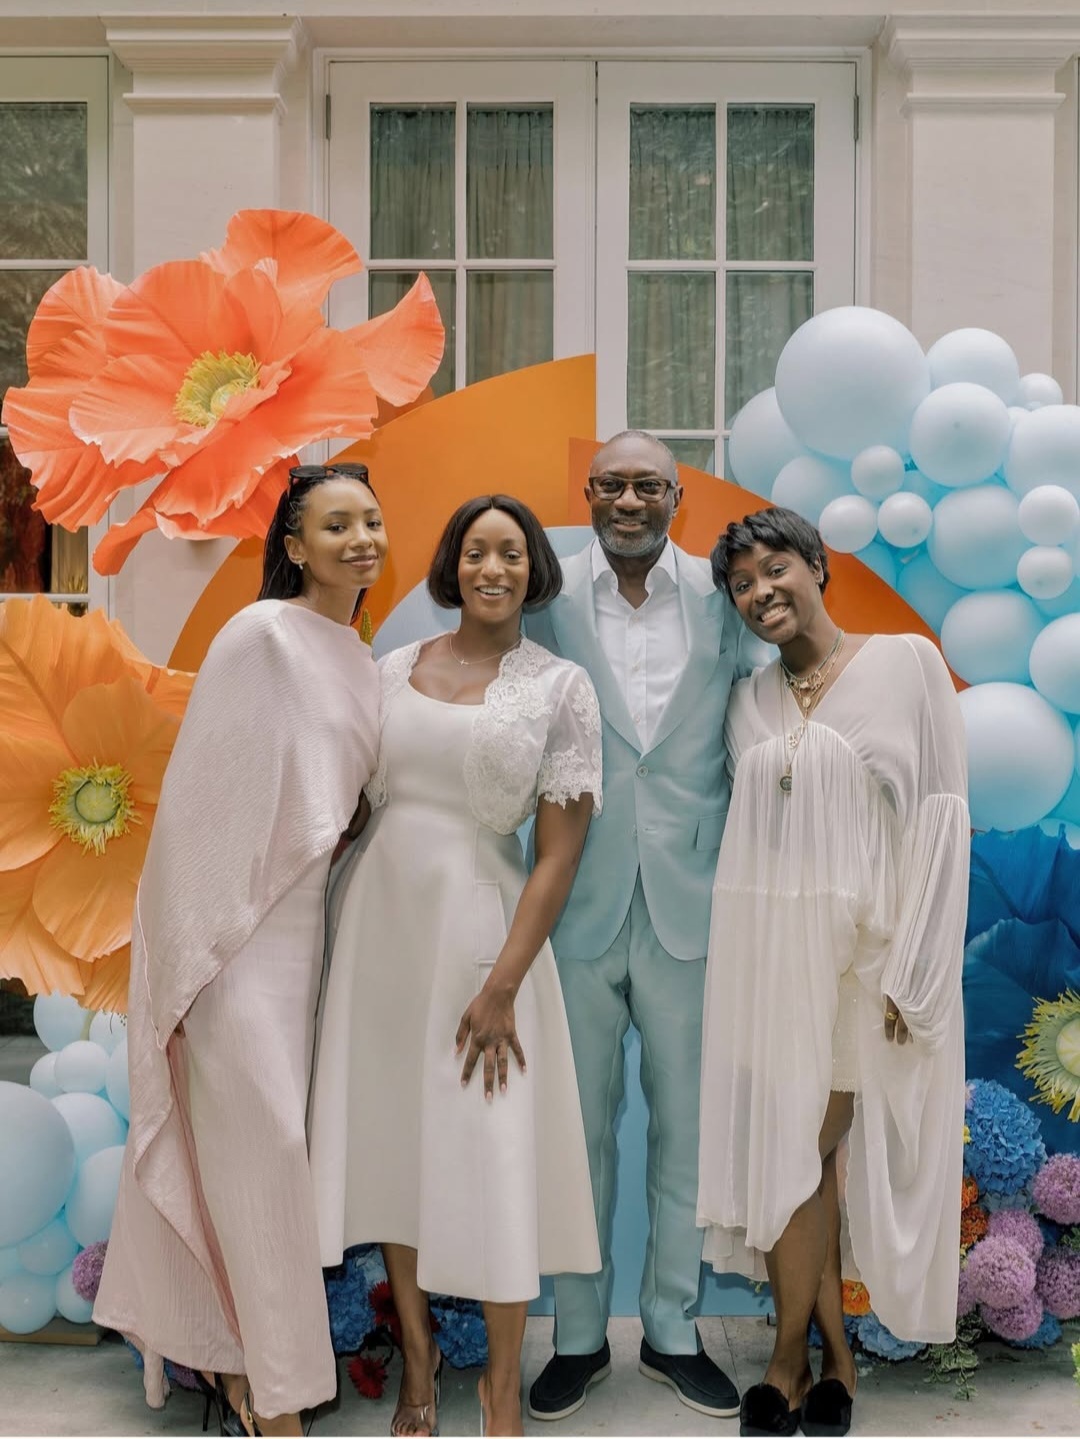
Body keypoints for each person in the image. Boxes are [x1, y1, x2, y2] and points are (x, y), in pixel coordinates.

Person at [93, 462, 389, 1438]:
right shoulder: (258, 634)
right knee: (268, 1147)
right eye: (334, 523)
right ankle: (275, 1393)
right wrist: (190, 955)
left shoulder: (354, 652)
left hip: (307, 937)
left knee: (265, 1161)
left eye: (370, 521)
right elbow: (201, 803)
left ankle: (237, 1363)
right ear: (294, 545)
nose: (359, 538)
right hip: (231, 942)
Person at [308, 494, 603, 1438]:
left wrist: (504, 982)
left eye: (511, 553)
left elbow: (557, 853)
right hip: (382, 934)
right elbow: (345, 798)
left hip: (486, 941)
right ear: (450, 562)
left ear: (533, 571)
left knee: (492, 1149)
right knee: (397, 1142)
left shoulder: (561, 688)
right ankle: (421, 1360)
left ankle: (503, 1386)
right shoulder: (389, 667)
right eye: (475, 550)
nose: (492, 568)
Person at [698, 507, 969, 1438]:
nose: (760, 592)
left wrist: (919, 970)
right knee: (798, 1151)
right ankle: (828, 1358)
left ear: (817, 566)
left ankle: (791, 1356)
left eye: (776, 569)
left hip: (870, 961)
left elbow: (940, 811)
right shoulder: (747, 701)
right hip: (775, 963)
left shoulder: (905, 663)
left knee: (809, 1143)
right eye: (741, 584)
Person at [524, 431, 751, 1422]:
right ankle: (577, 1335)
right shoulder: (541, 594)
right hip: (572, 897)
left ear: (676, 496)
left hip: (692, 903)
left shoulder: (723, 594)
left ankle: (670, 1328)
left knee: (684, 1133)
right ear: (587, 493)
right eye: (612, 483)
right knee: (573, 1130)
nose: (628, 498)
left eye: (647, 484)